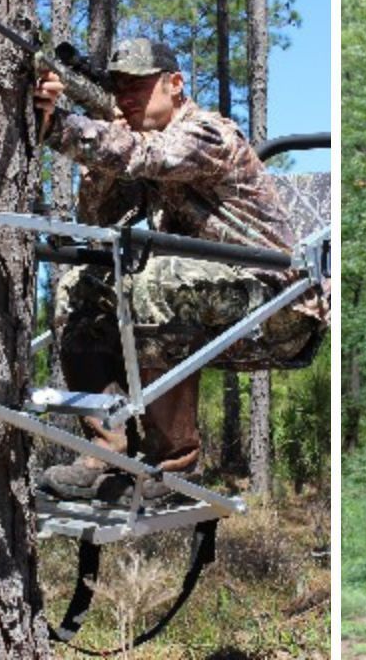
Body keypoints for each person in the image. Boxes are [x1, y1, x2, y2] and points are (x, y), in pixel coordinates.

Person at [32, 38, 327, 504]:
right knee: (77, 287)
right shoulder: (142, 142)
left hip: (275, 299)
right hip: (210, 296)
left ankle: (171, 465)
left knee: (151, 282)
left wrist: (56, 126)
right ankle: (105, 454)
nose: (127, 98)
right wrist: (101, 158)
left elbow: (145, 155)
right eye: (118, 90)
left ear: (175, 85)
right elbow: (97, 218)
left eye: (138, 88)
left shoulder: (208, 135)